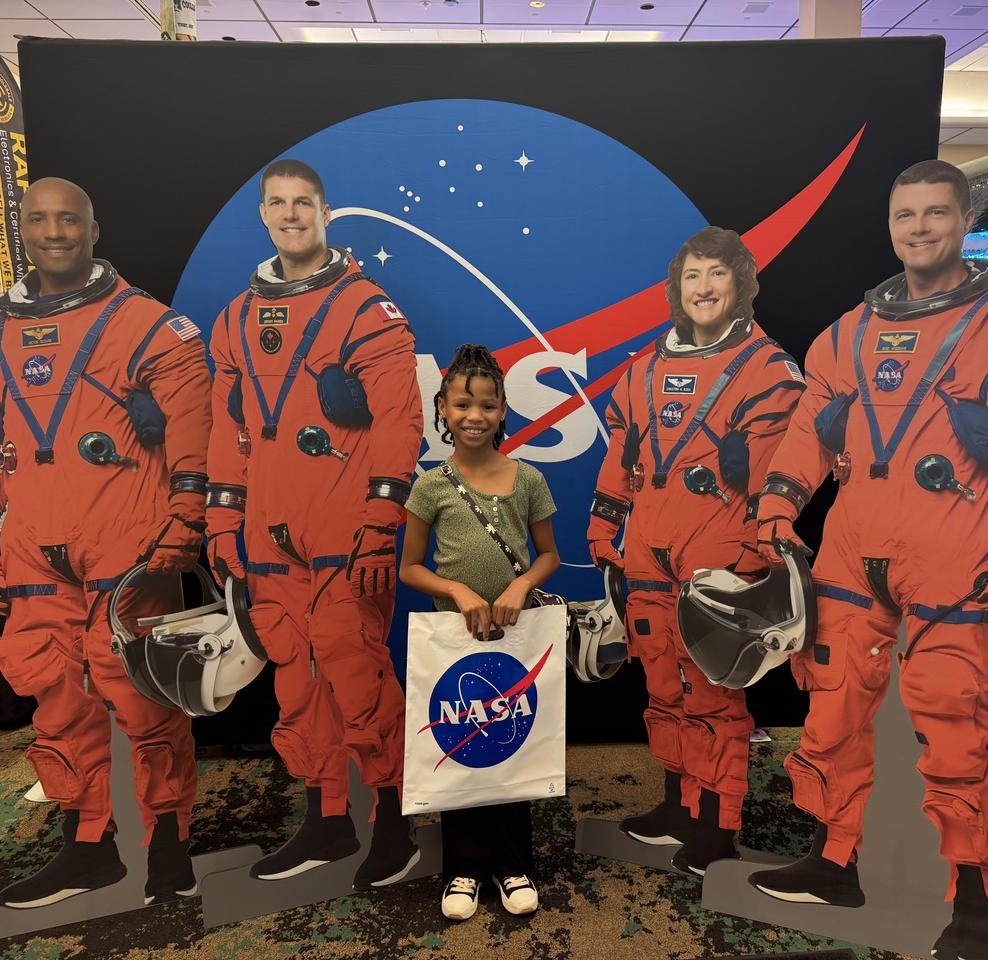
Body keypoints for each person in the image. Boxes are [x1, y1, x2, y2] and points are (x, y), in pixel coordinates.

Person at [749, 160, 988, 960]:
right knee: (832, 709)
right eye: (905, 215)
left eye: (935, 214)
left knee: (955, 722)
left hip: (964, 555)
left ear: (964, 218)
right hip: (855, 549)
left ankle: (973, 897)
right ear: (890, 223)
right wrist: (776, 503)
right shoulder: (849, 331)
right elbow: (808, 427)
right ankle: (836, 861)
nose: (918, 229)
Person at [0, 177, 212, 907]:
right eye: (40, 219)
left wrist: (187, 514)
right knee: (55, 697)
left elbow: (196, 429)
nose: (55, 231)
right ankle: (88, 844)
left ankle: (167, 845)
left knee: (142, 697)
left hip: (127, 538)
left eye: (70, 219)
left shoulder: (151, 328)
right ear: (21, 230)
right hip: (33, 543)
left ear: (94, 231)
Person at [205, 158, 423, 889]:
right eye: (278, 203)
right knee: (296, 685)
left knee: (357, 677)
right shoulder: (235, 317)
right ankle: (327, 822)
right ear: (262, 214)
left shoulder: (367, 308)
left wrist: (379, 520)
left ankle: (396, 823)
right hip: (268, 536)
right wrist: (221, 522)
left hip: (341, 532)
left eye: (304, 203)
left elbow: (399, 421)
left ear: (326, 212)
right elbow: (227, 432)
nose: (291, 214)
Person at [585, 226, 805, 876]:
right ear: (676, 290)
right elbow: (621, 457)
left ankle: (720, 823)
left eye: (717, 274)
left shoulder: (770, 372)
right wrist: (604, 528)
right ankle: (681, 804)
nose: (704, 288)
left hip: (722, 558)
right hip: (648, 556)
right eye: (692, 276)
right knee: (662, 686)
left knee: (712, 696)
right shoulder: (645, 369)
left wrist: (756, 553)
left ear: (741, 284)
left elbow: (779, 479)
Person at [399, 343, 560, 921]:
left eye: (487, 406)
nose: (475, 416)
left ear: (502, 412)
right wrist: (459, 591)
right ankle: (463, 870)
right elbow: (409, 567)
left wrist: (518, 589)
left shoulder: (528, 479)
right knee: (461, 754)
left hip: (516, 641)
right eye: (463, 404)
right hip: (456, 643)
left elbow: (549, 556)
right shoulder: (431, 486)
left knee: (513, 750)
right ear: (443, 407)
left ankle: (513, 865)